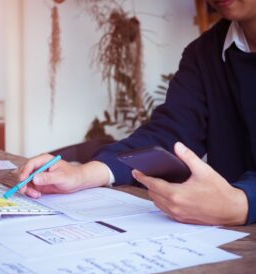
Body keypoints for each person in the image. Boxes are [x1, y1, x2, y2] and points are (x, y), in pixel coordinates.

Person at [20, 0, 256, 226]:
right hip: (232, 239)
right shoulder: (205, 53)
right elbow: (169, 135)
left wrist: (242, 204)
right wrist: (82, 174)